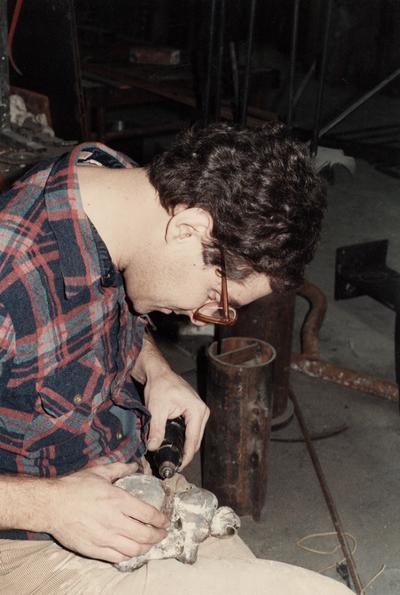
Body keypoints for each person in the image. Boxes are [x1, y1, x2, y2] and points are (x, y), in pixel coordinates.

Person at [0, 122, 350, 594]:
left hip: (121, 483)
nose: (199, 316)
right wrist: (50, 507)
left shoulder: (120, 193)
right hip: (30, 535)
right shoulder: (10, 275)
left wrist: (156, 371)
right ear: (189, 229)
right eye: (214, 295)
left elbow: (104, 307)